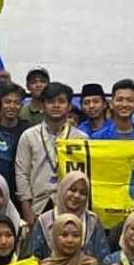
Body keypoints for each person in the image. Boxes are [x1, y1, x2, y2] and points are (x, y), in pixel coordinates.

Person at [14, 82, 88, 225]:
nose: (56, 105)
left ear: (69, 106)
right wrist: (27, 210)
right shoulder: (29, 136)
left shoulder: (81, 138)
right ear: (42, 106)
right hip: (38, 205)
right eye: (50, 101)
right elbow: (22, 174)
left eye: (61, 101)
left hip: (71, 206)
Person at [30, 171, 110, 261]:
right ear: (63, 189)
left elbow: (103, 258)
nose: (77, 195)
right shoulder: (44, 221)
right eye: (72, 190)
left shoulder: (92, 221)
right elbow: (34, 260)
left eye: (83, 193)